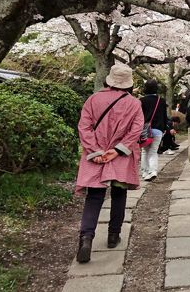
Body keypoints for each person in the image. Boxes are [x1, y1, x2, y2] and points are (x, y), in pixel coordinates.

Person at [75, 64, 144, 264]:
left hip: (95, 154)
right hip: (120, 156)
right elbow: (136, 130)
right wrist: (117, 150)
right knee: (119, 194)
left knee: (94, 196)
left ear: (109, 79)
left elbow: (84, 127)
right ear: (129, 83)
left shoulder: (93, 100)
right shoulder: (133, 104)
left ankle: (86, 238)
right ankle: (113, 236)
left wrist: (95, 151)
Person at [139, 80, 168, 181]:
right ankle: (153, 171)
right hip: (158, 129)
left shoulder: (141, 100)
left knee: (144, 151)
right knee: (153, 151)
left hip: (145, 130)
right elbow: (165, 116)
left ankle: (145, 171)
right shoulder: (161, 100)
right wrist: (165, 128)